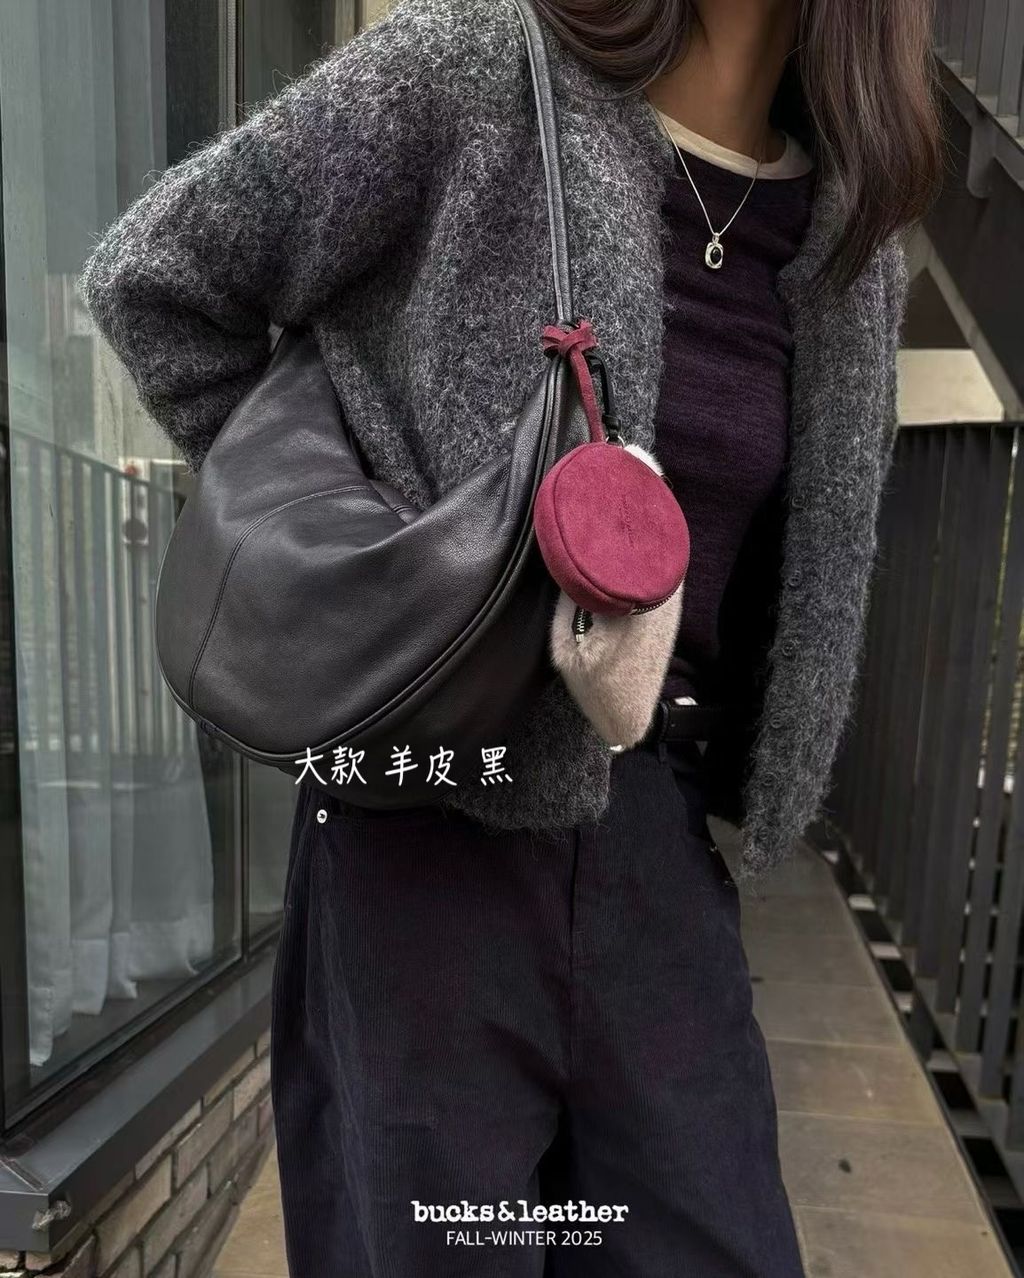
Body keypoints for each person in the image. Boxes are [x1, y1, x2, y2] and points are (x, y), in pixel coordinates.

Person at [79, 0, 941, 1273]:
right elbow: (158, 281)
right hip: (423, 835)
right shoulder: (472, 71)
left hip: (656, 847)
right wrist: (358, 561)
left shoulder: (850, 245)